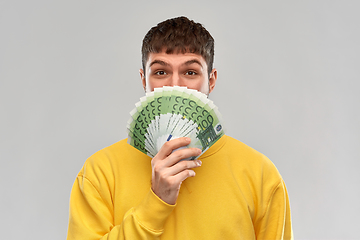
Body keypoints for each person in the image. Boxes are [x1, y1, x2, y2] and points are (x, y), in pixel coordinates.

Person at [67, 16, 293, 240]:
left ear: (211, 80)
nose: (175, 85)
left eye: (191, 72)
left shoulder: (261, 175)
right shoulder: (100, 172)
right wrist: (156, 203)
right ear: (144, 80)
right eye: (161, 72)